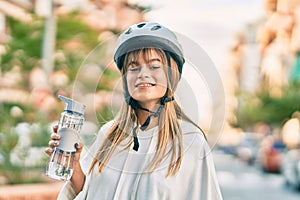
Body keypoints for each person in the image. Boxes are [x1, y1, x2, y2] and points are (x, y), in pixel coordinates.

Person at [45, 22, 223, 200]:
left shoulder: (190, 142)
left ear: (171, 75)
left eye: (154, 66)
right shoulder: (108, 135)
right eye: (133, 67)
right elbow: (87, 192)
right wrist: (76, 168)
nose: (142, 74)